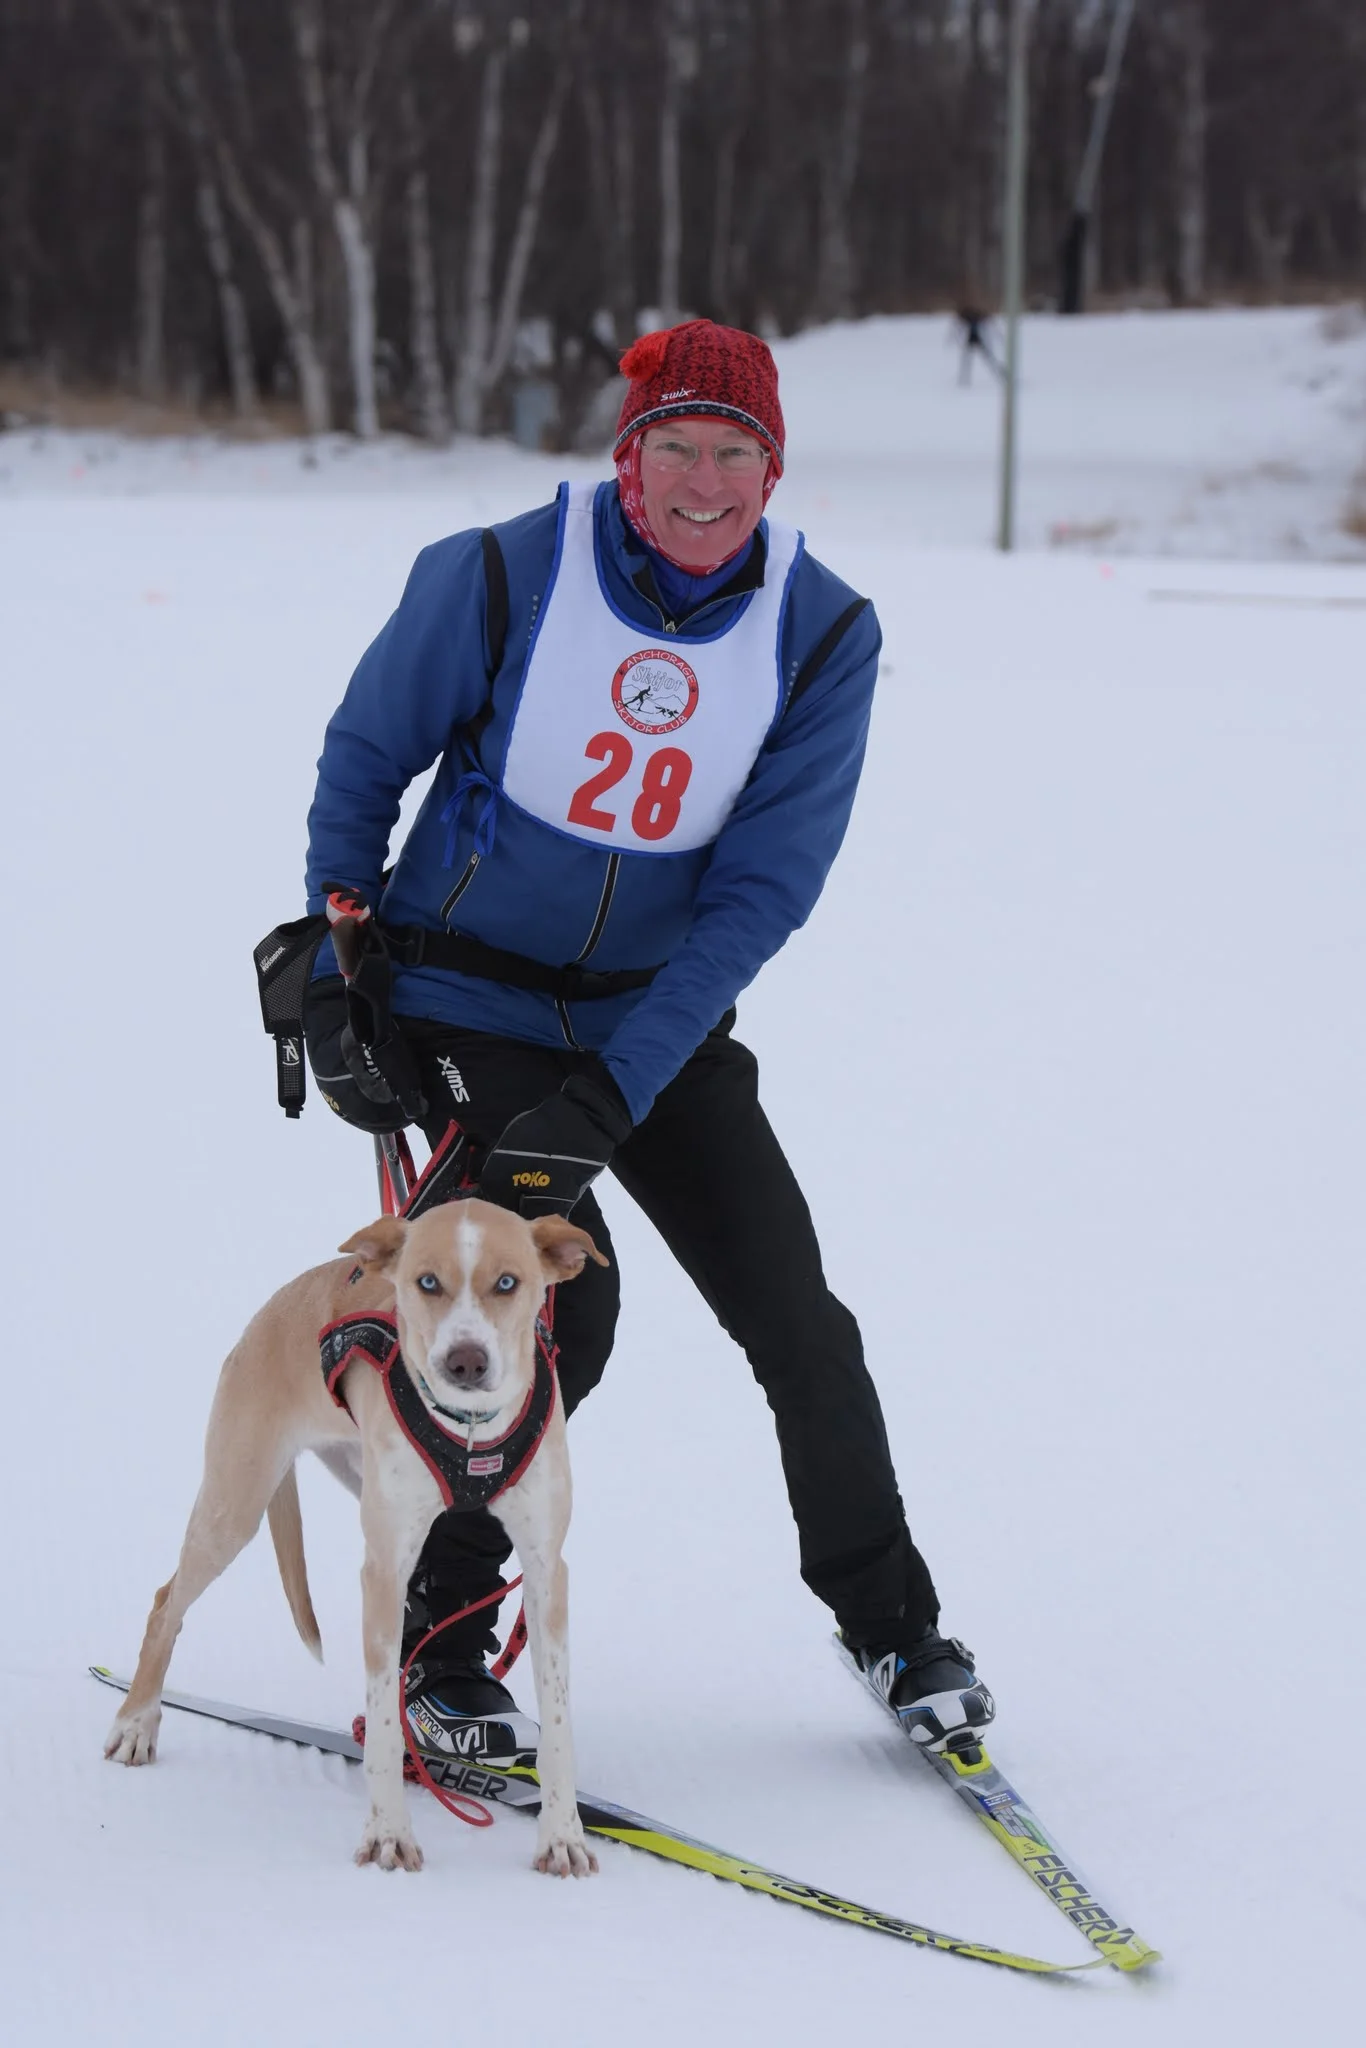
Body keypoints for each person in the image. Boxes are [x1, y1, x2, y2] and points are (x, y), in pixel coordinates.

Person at [301, 318, 993, 1764]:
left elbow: (761, 891)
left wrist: (616, 1086)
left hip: (651, 1016)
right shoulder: (499, 572)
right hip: (465, 998)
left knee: (798, 1319)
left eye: (734, 453)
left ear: (771, 469)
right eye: (673, 447)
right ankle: (436, 1639)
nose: (701, 482)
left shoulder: (821, 631)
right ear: (627, 458)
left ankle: (892, 1626)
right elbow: (368, 756)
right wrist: (334, 951)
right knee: (558, 1307)